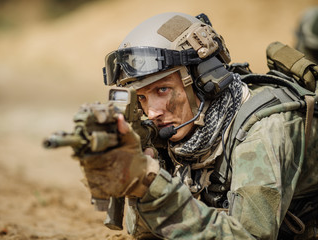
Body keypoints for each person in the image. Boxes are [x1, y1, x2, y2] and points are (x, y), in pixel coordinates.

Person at [79, 12, 318, 239]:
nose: (152, 112)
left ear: (205, 81)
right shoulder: (181, 133)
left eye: (162, 90)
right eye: (141, 97)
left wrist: (153, 185)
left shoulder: (262, 129)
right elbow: (145, 233)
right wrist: (140, 179)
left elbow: (250, 235)